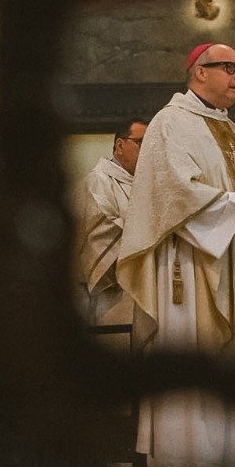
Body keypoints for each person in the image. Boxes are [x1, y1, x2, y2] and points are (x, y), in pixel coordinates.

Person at [116, 42, 235, 467]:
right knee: (197, 357)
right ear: (198, 72)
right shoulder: (171, 123)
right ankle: (191, 462)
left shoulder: (231, 129)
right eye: (228, 67)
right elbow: (174, 192)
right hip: (192, 269)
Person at [73, 120, 148, 327]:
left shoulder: (144, 185)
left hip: (141, 289)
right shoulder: (98, 181)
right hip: (111, 293)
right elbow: (103, 229)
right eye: (141, 142)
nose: (148, 150)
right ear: (120, 146)